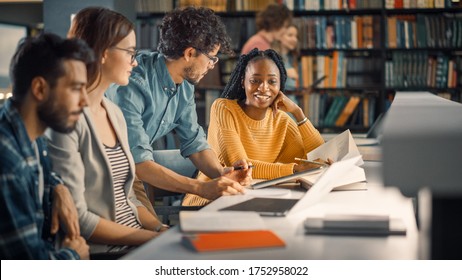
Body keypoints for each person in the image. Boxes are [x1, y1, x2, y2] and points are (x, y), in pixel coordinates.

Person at [46, 7, 166, 257]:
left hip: (137, 242)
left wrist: (161, 228)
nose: (135, 61)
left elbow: (129, 199)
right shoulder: (66, 120)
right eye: (130, 53)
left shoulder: (114, 112)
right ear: (102, 52)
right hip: (104, 253)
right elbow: (79, 218)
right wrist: (152, 239)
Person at [106, 6, 251, 205]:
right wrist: (201, 188)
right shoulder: (133, 84)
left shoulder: (184, 86)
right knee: (155, 233)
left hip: (132, 173)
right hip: (108, 174)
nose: (212, 65)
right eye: (211, 57)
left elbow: (195, 145)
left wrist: (223, 175)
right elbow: (139, 164)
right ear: (190, 53)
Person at [183, 49, 325, 206]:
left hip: (253, 198)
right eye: (255, 80)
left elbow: (319, 157)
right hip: (211, 200)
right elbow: (242, 168)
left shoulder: (282, 120)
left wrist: (298, 113)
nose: (263, 88)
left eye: (272, 82)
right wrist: (295, 169)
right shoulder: (223, 109)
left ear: (280, 85)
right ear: (243, 81)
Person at [0, 33, 92, 259]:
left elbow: (45, 172)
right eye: (75, 88)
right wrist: (74, 255)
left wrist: (57, 186)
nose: (85, 101)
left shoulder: (32, 135)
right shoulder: (7, 161)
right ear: (40, 89)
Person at [271, 24, 300, 91]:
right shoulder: (273, 57)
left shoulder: (292, 57)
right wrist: (285, 72)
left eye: (296, 36)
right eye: (290, 35)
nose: (295, 39)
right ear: (279, 36)